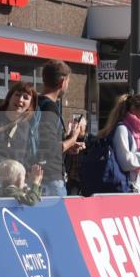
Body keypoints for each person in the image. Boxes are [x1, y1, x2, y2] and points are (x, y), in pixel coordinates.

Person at [36, 60, 86, 197]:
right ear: (62, 82)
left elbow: (43, 143)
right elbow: (52, 148)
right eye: (68, 82)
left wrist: (69, 147)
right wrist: (73, 137)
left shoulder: (36, 103)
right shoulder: (50, 108)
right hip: (51, 178)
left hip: (36, 175)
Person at [0, 81, 38, 180]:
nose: (20, 100)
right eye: (17, 95)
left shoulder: (26, 127)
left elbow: (24, 159)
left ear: (30, 104)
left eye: (26, 97)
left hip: (10, 185)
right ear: (10, 97)